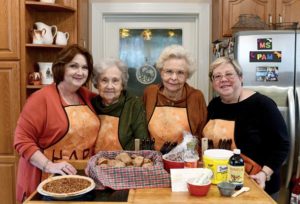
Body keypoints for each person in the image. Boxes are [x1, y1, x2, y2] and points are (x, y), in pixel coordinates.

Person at [14, 44, 100, 202]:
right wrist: (48, 165)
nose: (80, 72)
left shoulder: (86, 96)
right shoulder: (40, 99)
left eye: (84, 67)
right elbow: (22, 140)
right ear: (61, 67)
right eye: (73, 66)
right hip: (46, 178)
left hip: (80, 177)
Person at [203, 56, 290, 200]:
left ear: (241, 77)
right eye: (217, 76)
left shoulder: (262, 105)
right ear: (213, 83)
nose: (223, 79)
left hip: (257, 183)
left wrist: (264, 174)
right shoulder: (214, 105)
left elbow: (282, 145)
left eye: (229, 74)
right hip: (221, 182)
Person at [143, 44, 207, 152]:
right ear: (161, 72)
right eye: (169, 71)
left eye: (180, 73)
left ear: (187, 75)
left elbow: (202, 136)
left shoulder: (196, 97)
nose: (173, 78)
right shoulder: (150, 93)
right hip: (154, 162)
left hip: (186, 164)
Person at [91, 58, 150, 151]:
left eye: (115, 81)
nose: (109, 86)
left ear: (122, 84)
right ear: (97, 84)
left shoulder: (133, 105)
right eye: (104, 80)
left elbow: (143, 144)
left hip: (125, 163)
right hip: (94, 163)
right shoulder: (91, 104)